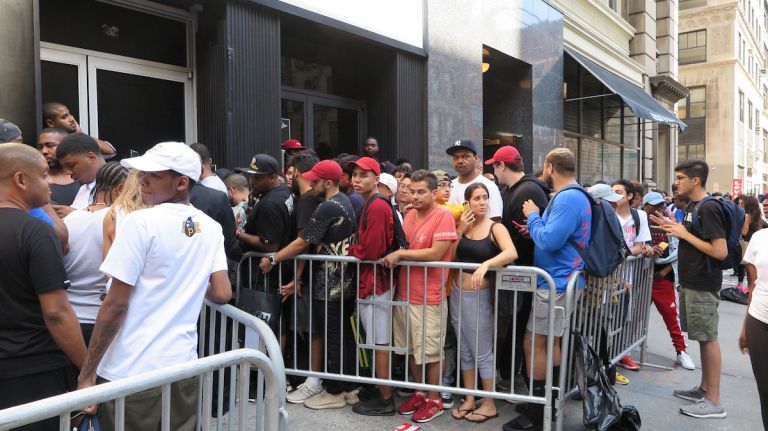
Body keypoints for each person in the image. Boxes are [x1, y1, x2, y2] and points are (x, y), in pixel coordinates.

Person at [76, 141, 232, 430]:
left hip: (130, 368)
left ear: (181, 182)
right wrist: (187, 282)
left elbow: (116, 303)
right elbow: (222, 293)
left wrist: (87, 374)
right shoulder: (210, 227)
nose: (142, 181)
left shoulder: (140, 222)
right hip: (182, 365)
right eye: (141, 174)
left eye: (154, 175)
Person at [0, 143, 87, 431]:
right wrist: (87, 372)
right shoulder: (35, 232)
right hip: (33, 371)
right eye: (44, 174)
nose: (50, 182)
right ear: (21, 180)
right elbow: (57, 313)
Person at [259, 159, 358, 410]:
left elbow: (302, 242)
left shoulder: (328, 207)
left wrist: (273, 258)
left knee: (333, 336)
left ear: (328, 182)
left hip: (331, 283)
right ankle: (348, 387)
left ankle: (335, 391)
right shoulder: (344, 201)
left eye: (315, 180)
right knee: (342, 334)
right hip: (342, 281)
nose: (310, 184)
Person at [504, 148, 590, 431]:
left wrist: (533, 216)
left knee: (535, 343)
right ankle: (548, 403)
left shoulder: (567, 198)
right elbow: (558, 235)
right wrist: (536, 225)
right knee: (548, 342)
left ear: (549, 166)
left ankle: (540, 409)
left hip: (555, 282)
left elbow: (550, 241)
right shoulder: (575, 196)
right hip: (561, 280)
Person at [652, 160, 728, 419]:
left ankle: (714, 400)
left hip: (703, 283)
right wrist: (676, 229)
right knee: (702, 337)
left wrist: (683, 234)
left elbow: (720, 251)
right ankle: (705, 389)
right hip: (692, 281)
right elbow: (692, 237)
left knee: (708, 338)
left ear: (696, 180)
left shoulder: (708, 208)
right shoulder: (694, 207)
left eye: (681, 177)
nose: (677, 182)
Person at [383, 170, 458, 423]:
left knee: (432, 351)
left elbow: (436, 253)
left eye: (421, 191)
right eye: (411, 191)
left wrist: (401, 255)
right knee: (413, 349)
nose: (414, 196)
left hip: (430, 295)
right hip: (405, 293)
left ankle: (434, 399)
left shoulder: (444, 215)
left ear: (434, 193)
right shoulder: (410, 215)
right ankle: (419, 392)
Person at [450, 183, 518, 423]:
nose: (481, 202)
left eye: (484, 197)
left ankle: (488, 403)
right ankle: (470, 398)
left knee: (481, 351)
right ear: (467, 202)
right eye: (476, 198)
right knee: (465, 349)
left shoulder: (495, 227)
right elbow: (452, 257)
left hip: (480, 297)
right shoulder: (464, 226)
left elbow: (511, 253)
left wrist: (487, 264)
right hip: (458, 293)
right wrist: (460, 230)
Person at [488, 145, 549, 386]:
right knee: (513, 327)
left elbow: (537, 235)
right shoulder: (510, 189)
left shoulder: (529, 189)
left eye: (495, 166)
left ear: (502, 166)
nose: (494, 172)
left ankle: (514, 376)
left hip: (523, 272)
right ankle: (510, 374)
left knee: (518, 327)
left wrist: (529, 233)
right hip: (517, 272)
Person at [347, 157, 397, 416]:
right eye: (354, 174)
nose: (356, 179)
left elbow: (371, 249)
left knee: (379, 343)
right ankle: (381, 392)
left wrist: (352, 249)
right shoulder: (373, 203)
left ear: (376, 178)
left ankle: (386, 398)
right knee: (378, 342)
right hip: (373, 281)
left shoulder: (377, 206)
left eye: (363, 175)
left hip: (377, 283)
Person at [64, 162, 127, 345]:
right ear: (121, 188)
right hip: (103, 319)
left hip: (71, 318)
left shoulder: (70, 218)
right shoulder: (120, 219)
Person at [642, 192, 694, 371]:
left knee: (672, 318)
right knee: (633, 317)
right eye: (654, 206)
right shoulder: (639, 221)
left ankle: (681, 351)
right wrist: (646, 251)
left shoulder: (670, 223)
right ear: (645, 205)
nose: (659, 209)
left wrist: (664, 271)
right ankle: (629, 349)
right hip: (641, 278)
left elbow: (678, 251)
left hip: (662, 279)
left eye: (661, 205)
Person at [611, 179, 653, 378]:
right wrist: (630, 252)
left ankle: (618, 356)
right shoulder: (607, 214)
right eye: (612, 192)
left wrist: (622, 254)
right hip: (607, 275)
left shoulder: (639, 216)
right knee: (602, 318)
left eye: (619, 192)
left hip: (628, 275)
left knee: (623, 316)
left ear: (629, 196)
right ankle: (607, 361)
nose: (615, 195)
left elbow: (641, 245)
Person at [739, 224, 768, 429]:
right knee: (765, 390)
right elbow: (753, 285)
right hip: (759, 319)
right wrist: (745, 326)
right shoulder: (759, 237)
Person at [445, 139, 503, 220]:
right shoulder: (448, 186)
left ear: (476, 158)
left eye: (465, 156)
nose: (460, 161)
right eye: (456, 157)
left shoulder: (489, 186)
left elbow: (495, 221)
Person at [55, 133, 106, 213]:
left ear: (91, 158)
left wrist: (74, 214)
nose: (68, 172)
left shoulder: (121, 182)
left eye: (71, 165)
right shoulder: (83, 188)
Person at [42, 102, 116, 157]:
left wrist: (80, 135)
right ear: (51, 123)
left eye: (69, 114)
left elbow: (110, 151)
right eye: (64, 117)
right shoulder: (48, 145)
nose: (71, 119)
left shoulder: (75, 140)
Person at [37, 127, 80, 205]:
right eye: (40, 147)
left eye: (50, 145)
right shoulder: (36, 179)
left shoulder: (84, 177)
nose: (44, 151)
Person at [738, 196, 767, 292]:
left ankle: (750, 289)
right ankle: (751, 288)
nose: (740, 206)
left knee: (749, 270)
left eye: (742, 204)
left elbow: (744, 232)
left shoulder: (747, 216)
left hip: (748, 244)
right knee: (754, 271)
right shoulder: (757, 216)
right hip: (757, 245)